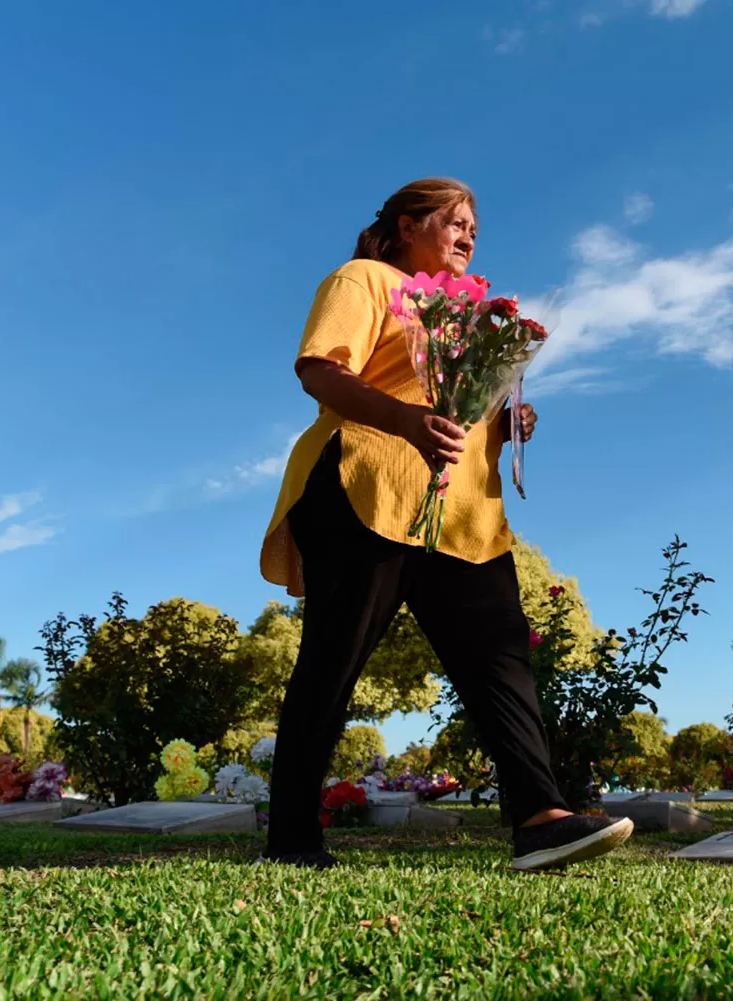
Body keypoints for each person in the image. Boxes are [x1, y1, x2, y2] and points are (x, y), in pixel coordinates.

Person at [257, 177, 633, 870]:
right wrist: (402, 419)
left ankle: (540, 814)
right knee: (332, 665)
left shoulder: (472, 318)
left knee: (500, 659)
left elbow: (463, 403)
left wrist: (508, 418)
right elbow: (318, 369)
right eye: (454, 220)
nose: (468, 234)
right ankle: (292, 839)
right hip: (363, 487)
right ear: (406, 226)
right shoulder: (364, 279)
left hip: (461, 514)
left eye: (475, 227)